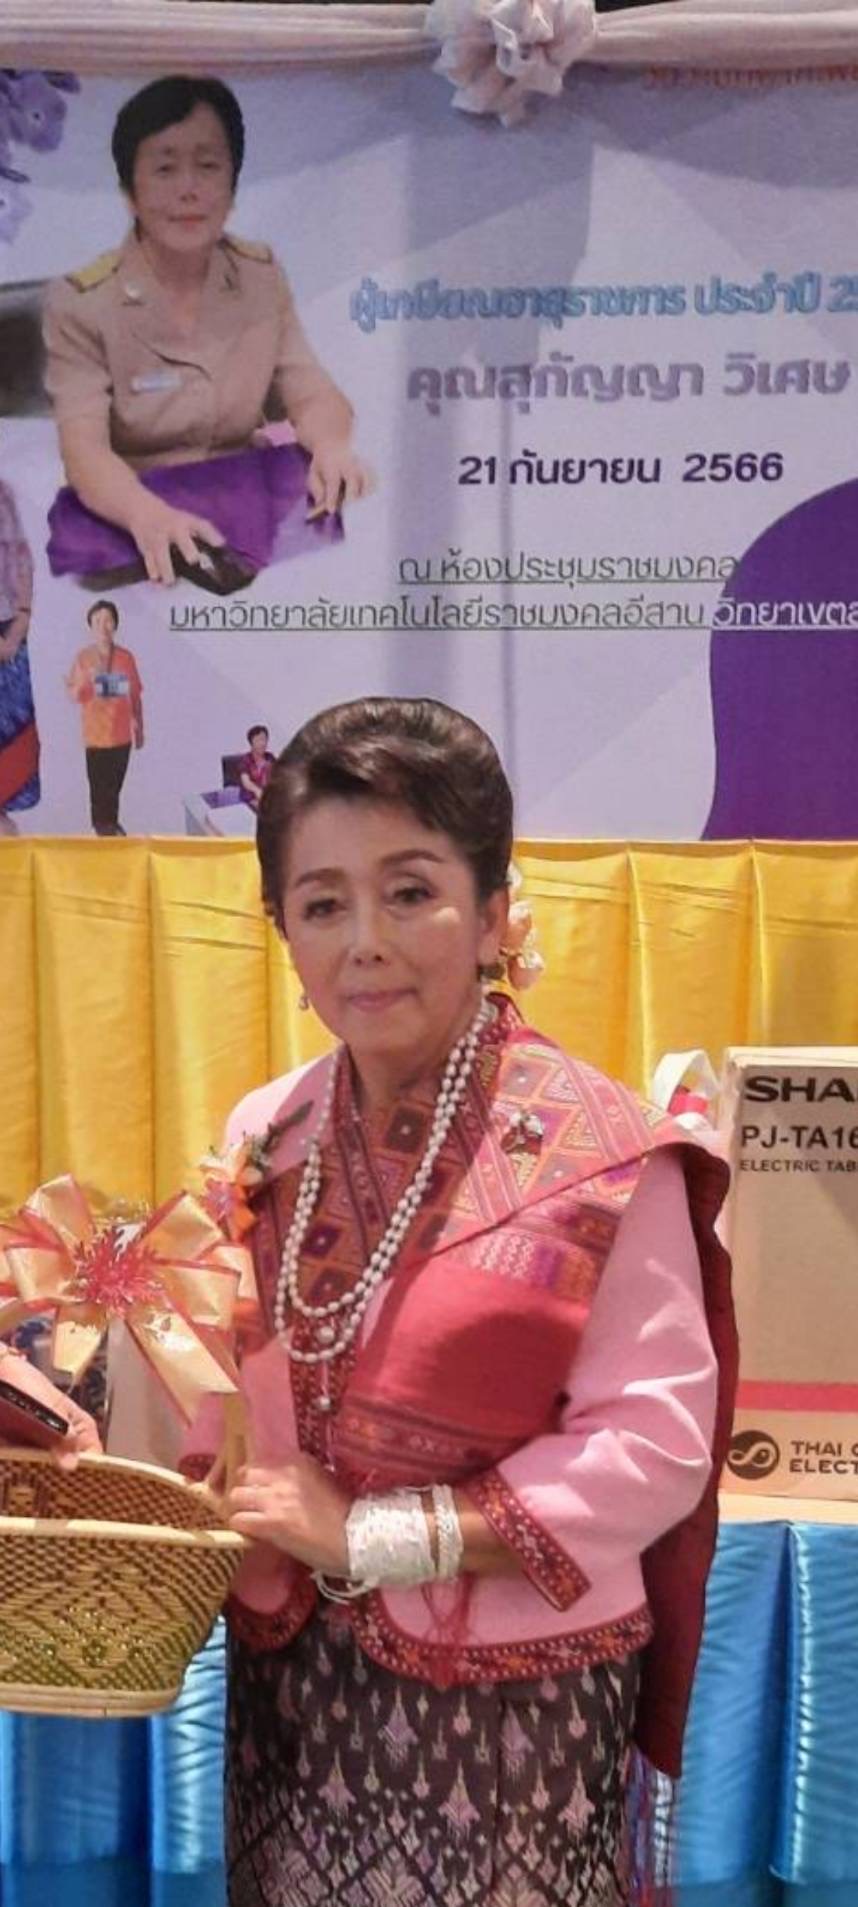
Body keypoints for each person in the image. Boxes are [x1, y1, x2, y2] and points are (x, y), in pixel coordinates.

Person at [17, 697, 737, 1907]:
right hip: (296, 1689)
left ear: (495, 910)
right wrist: (89, 1408)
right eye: (322, 903)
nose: (365, 941)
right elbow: (230, 1385)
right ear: (283, 931)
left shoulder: (611, 1156)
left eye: (410, 891)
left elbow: (653, 1443)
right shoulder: (269, 1127)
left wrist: (373, 1534)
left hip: (512, 1702)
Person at [42, 76, 373, 587]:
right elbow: (83, 452)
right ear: (129, 192)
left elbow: (311, 391)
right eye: (165, 168)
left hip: (247, 524)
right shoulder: (83, 301)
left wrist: (330, 445)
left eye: (209, 166)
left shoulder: (260, 276)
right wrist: (146, 515)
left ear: (233, 186)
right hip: (133, 536)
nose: (189, 189)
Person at [66, 599, 144, 835]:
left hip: (121, 735)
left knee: (114, 788)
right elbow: (76, 696)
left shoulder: (126, 657)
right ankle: (101, 831)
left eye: (108, 620)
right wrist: (87, 679)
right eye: (97, 620)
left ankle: (111, 827)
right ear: (90, 626)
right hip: (95, 736)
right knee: (98, 790)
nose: (103, 625)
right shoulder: (83, 658)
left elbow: (135, 693)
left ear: (115, 625)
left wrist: (139, 726)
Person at [0, 479, 40, 832]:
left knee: (12, 741)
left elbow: (20, 556)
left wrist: (21, 621)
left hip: (8, 632)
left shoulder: (3, 493)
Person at [238, 724, 274, 808]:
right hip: (250, 800)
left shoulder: (270, 757)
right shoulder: (246, 760)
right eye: (258, 740)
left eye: (264, 740)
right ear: (251, 743)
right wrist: (257, 790)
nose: (262, 743)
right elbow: (246, 782)